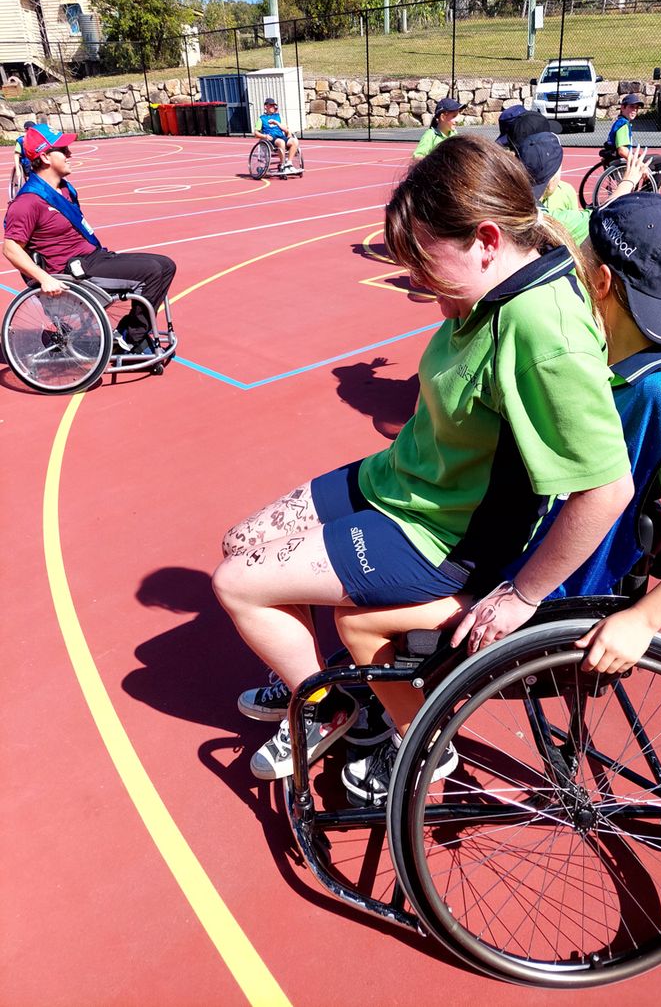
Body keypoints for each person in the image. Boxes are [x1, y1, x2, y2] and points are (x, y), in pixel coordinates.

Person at [217, 135, 633, 782]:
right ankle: (307, 668)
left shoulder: (540, 330)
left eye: (423, 257)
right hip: (403, 479)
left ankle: (327, 706)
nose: (414, 276)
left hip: (439, 533)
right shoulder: (489, 285)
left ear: (487, 240)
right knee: (240, 541)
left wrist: (522, 597)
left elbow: (606, 488)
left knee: (237, 584)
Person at [334, 193, 661, 806]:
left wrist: (644, 620)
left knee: (357, 616)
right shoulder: (605, 361)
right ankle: (378, 701)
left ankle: (417, 745)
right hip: (531, 554)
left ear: (600, 283)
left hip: (552, 593)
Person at [3, 124, 176, 353]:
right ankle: (129, 339)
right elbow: (11, 249)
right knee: (152, 271)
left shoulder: (64, 190)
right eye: (63, 150)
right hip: (74, 272)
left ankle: (131, 332)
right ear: (45, 157)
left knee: (166, 265)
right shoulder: (27, 202)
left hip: (94, 258)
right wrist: (44, 279)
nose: (70, 154)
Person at [517, 132, 652, 244]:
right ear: (552, 176)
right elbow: (599, 216)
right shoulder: (551, 220)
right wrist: (629, 180)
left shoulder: (510, 204)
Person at [604, 92, 661, 190]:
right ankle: (648, 193)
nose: (634, 110)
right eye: (631, 107)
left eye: (636, 108)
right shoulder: (623, 125)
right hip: (621, 161)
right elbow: (622, 151)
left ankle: (644, 191)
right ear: (623, 107)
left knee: (655, 159)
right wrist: (640, 164)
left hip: (617, 159)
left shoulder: (620, 122)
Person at [255, 97, 300, 174]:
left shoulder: (279, 116)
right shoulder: (261, 118)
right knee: (281, 142)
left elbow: (286, 129)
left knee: (294, 141)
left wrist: (277, 123)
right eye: (271, 105)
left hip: (281, 136)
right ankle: (282, 165)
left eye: (274, 105)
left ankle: (289, 164)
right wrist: (265, 136)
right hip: (270, 139)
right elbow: (256, 133)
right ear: (266, 106)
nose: (273, 107)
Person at [11, 120, 35, 192]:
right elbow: (16, 155)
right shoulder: (21, 141)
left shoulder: (37, 139)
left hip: (36, 159)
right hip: (26, 161)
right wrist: (18, 170)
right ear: (26, 130)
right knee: (28, 163)